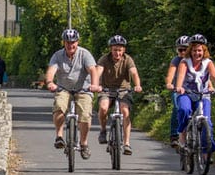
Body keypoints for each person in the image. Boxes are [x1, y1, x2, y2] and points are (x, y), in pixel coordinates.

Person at [45, 28, 101, 160]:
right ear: (64, 43)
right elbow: (51, 70)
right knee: (59, 106)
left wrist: (94, 85)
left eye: (73, 42)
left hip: (83, 89)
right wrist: (49, 82)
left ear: (77, 42)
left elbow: (93, 70)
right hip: (63, 88)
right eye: (67, 42)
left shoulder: (85, 54)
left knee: (85, 115)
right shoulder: (57, 55)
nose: (70, 45)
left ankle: (84, 144)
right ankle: (59, 136)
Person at [174, 33, 215, 150]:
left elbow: (214, 77)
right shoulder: (184, 62)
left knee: (207, 122)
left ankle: (205, 152)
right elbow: (180, 76)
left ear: (204, 51)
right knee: (184, 109)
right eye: (194, 51)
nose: (197, 53)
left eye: (199, 50)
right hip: (186, 93)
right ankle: (182, 133)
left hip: (203, 94)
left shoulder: (208, 63)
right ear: (190, 51)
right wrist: (179, 87)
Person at [95, 35, 142, 155]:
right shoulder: (104, 59)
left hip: (123, 90)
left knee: (125, 112)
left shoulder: (128, 59)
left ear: (124, 50)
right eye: (115, 50)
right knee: (103, 108)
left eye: (120, 50)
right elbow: (98, 71)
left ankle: (126, 143)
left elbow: (134, 73)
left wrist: (137, 85)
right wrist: (95, 84)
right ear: (111, 49)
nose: (117, 53)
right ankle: (103, 130)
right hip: (106, 89)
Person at [164, 35, 189, 148]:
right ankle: (174, 135)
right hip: (177, 89)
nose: (183, 52)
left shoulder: (195, 59)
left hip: (192, 90)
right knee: (177, 108)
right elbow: (171, 73)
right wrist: (169, 83)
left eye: (185, 49)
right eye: (180, 50)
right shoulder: (176, 60)